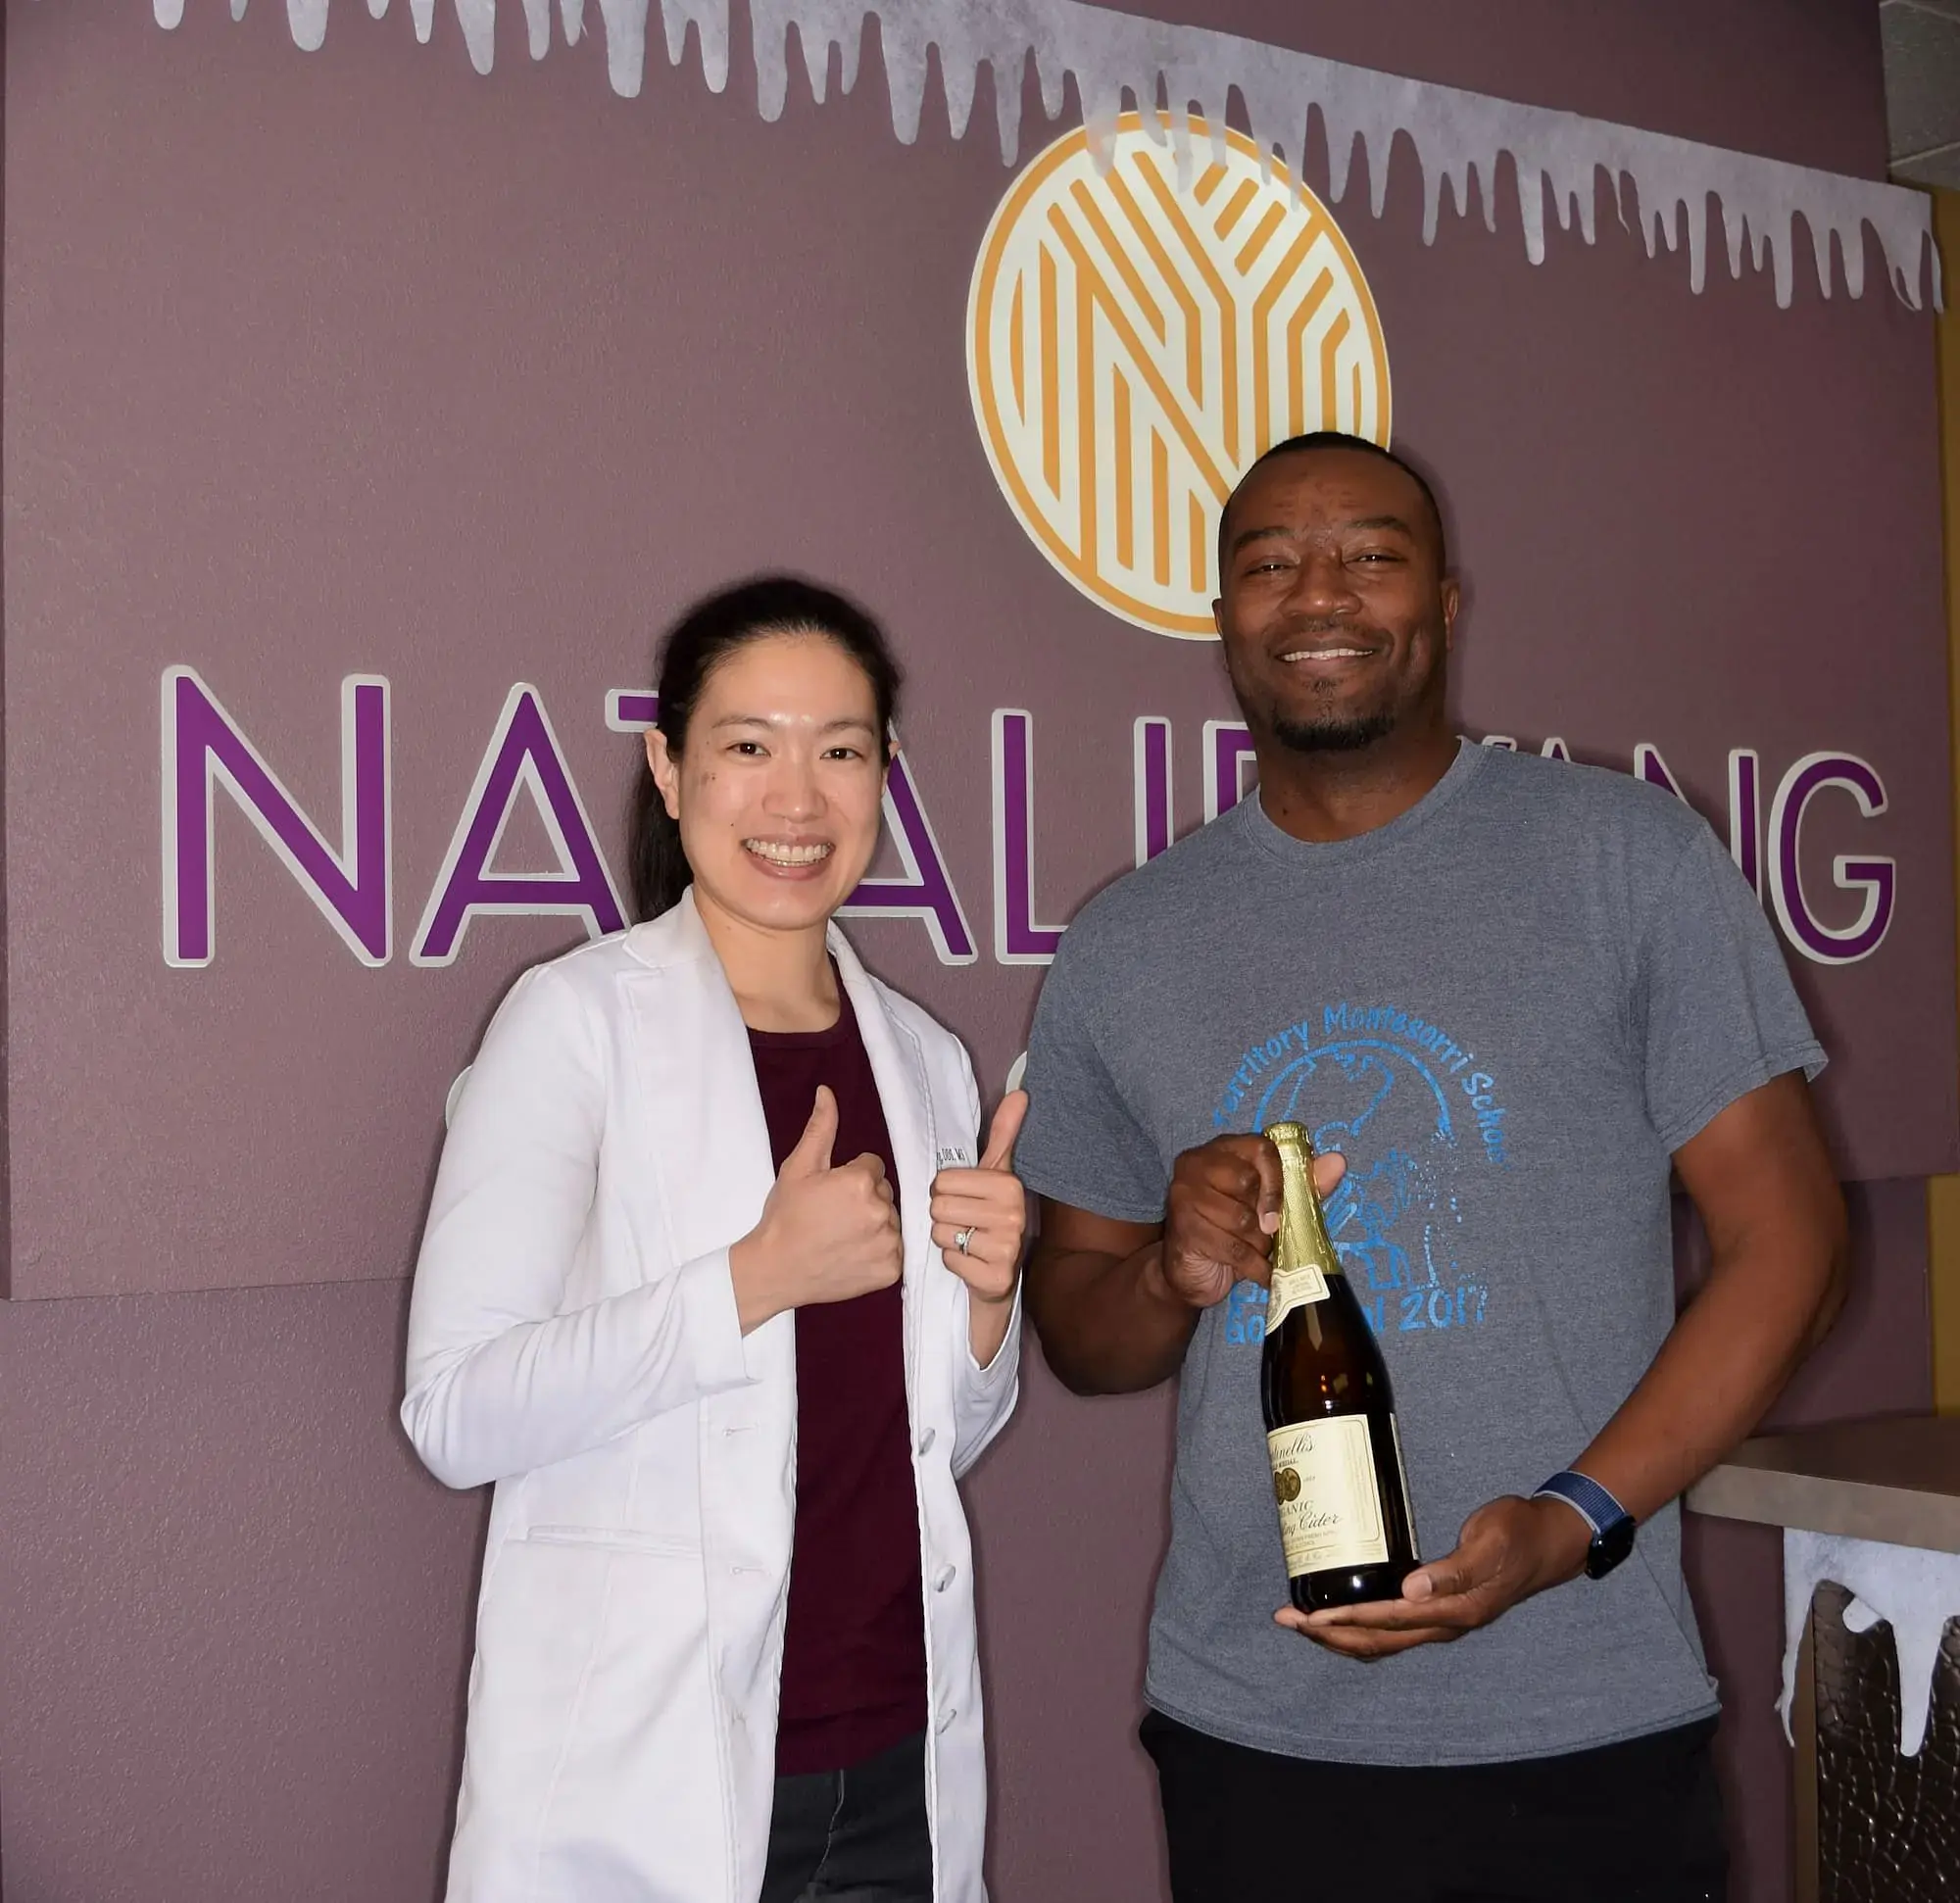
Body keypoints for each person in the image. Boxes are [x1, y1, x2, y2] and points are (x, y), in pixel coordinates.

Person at [1014, 432, 1848, 1903]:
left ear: (1448, 603)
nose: (1318, 591)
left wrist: (1575, 1519)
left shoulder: (1627, 859)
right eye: (1268, 562)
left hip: (1579, 1712)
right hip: (1255, 1722)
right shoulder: (1125, 940)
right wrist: (1167, 1265)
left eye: (1370, 554)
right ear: (1223, 617)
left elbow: (1790, 1242)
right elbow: (1086, 1331)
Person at [402, 576, 1028, 1903]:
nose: (797, 799)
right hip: (649, 1788)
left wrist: (985, 1312)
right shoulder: (571, 1025)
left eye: (840, 750)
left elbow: (930, 1444)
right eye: (749, 745)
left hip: (898, 1770)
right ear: (669, 766)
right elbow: (453, 1412)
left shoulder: (923, 1059)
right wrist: (747, 1284)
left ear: (885, 776)